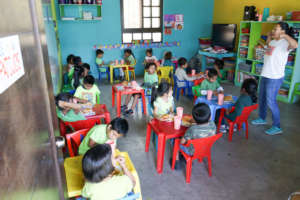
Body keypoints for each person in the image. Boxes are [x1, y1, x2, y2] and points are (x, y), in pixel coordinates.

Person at [251, 22, 298, 135]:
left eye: (275, 28)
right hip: (265, 74)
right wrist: (268, 37)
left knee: (271, 101)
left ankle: (277, 126)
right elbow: (268, 46)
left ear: (282, 31)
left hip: (275, 77)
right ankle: (262, 118)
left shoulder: (285, 43)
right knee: (262, 98)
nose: (273, 30)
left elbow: (295, 45)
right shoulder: (273, 41)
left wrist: (285, 36)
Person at [172, 103, 216, 168]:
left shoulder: (192, 129)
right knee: (190, 139)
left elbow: (182, 142)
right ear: (209, 116)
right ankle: (183, 157)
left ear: (194, 119)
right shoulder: (213, 125)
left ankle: (176, 161)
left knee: (175, 140)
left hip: (192, 151)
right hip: (205, 148)